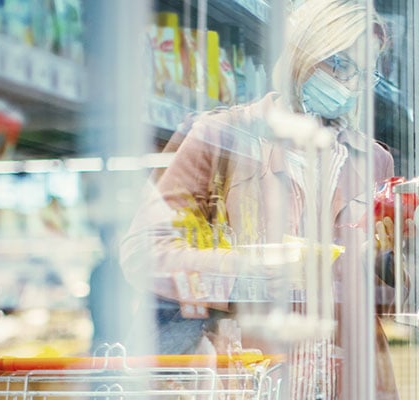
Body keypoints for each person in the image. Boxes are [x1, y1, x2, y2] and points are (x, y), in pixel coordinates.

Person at [119, 0, 398, 398]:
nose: (350, 85)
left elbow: (389, 296)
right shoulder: (222, 137)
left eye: (364, 74)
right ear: (302, 54)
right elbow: (144, 252)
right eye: (339, 65)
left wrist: (385, 260)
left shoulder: (374, 160)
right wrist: (246, 270)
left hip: (345, 378)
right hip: (249, 376)